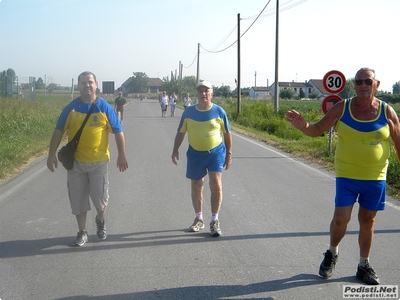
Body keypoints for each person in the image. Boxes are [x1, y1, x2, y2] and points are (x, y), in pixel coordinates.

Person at [285, 67, 400, 285]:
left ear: (377, 84)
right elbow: (317, 129)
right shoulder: (342, 108)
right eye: (359, 82)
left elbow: (398, 142)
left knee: (368, 221)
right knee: (341, 218)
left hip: (375, 177)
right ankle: (332, 253)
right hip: (347, 176)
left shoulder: (387, 112)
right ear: (354, 85)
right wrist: (304, 126)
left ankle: (363, 264)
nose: (363, 86)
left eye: (368, 81)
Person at [47, 71, 129, 247]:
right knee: (78, 201)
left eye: (90, 82)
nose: (87, 85)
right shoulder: (71, 108)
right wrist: (51, 154)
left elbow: (118, 131)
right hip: (75, 164)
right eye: (83, 83)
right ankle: (82, 231)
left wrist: (122, 154)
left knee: (101, 202)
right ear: (78, 86)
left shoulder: (104, 107)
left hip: (99, 163)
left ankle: (100, 220)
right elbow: (58, 131)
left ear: (96, 84)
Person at [171, 80, 233, 237]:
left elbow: (227, 133)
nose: (203, 94)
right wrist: (175, 149)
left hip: (216, 153)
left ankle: (214, 220)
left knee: (216, 185)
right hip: (195, 154)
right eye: (200, 91)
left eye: (207, 91)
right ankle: (199, 218)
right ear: (196, 94)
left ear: (212, 93)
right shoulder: (188, 112)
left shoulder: (219, 111)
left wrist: (229, 154)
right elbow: (181, 132)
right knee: (197, 185)